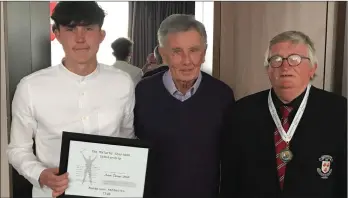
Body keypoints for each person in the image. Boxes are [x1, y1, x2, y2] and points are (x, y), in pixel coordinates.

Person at [7, 2, 135, 198]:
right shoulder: (30, 87)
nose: (80, 38)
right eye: (70, 29)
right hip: (52, 194)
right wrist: (40, 174)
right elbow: (17, 149)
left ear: (101, 35)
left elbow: (127, 138)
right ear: (57, 34)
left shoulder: (122, 83)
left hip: (109, 192)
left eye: (89, 28)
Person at [220, 30, 347, 198]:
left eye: (295, 59)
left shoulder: (340, 111)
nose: (285, 66)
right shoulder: (241, 112)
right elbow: (230, 180)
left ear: (312, 68)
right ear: (268, 70)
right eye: (276, 60)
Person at [134, 14, 235, 198]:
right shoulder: (142, 92)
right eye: (177, 51)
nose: (187, 61)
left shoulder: (222, 95)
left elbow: (230, 159)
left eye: (194, 50)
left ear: (204, 53)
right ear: (163, 54)